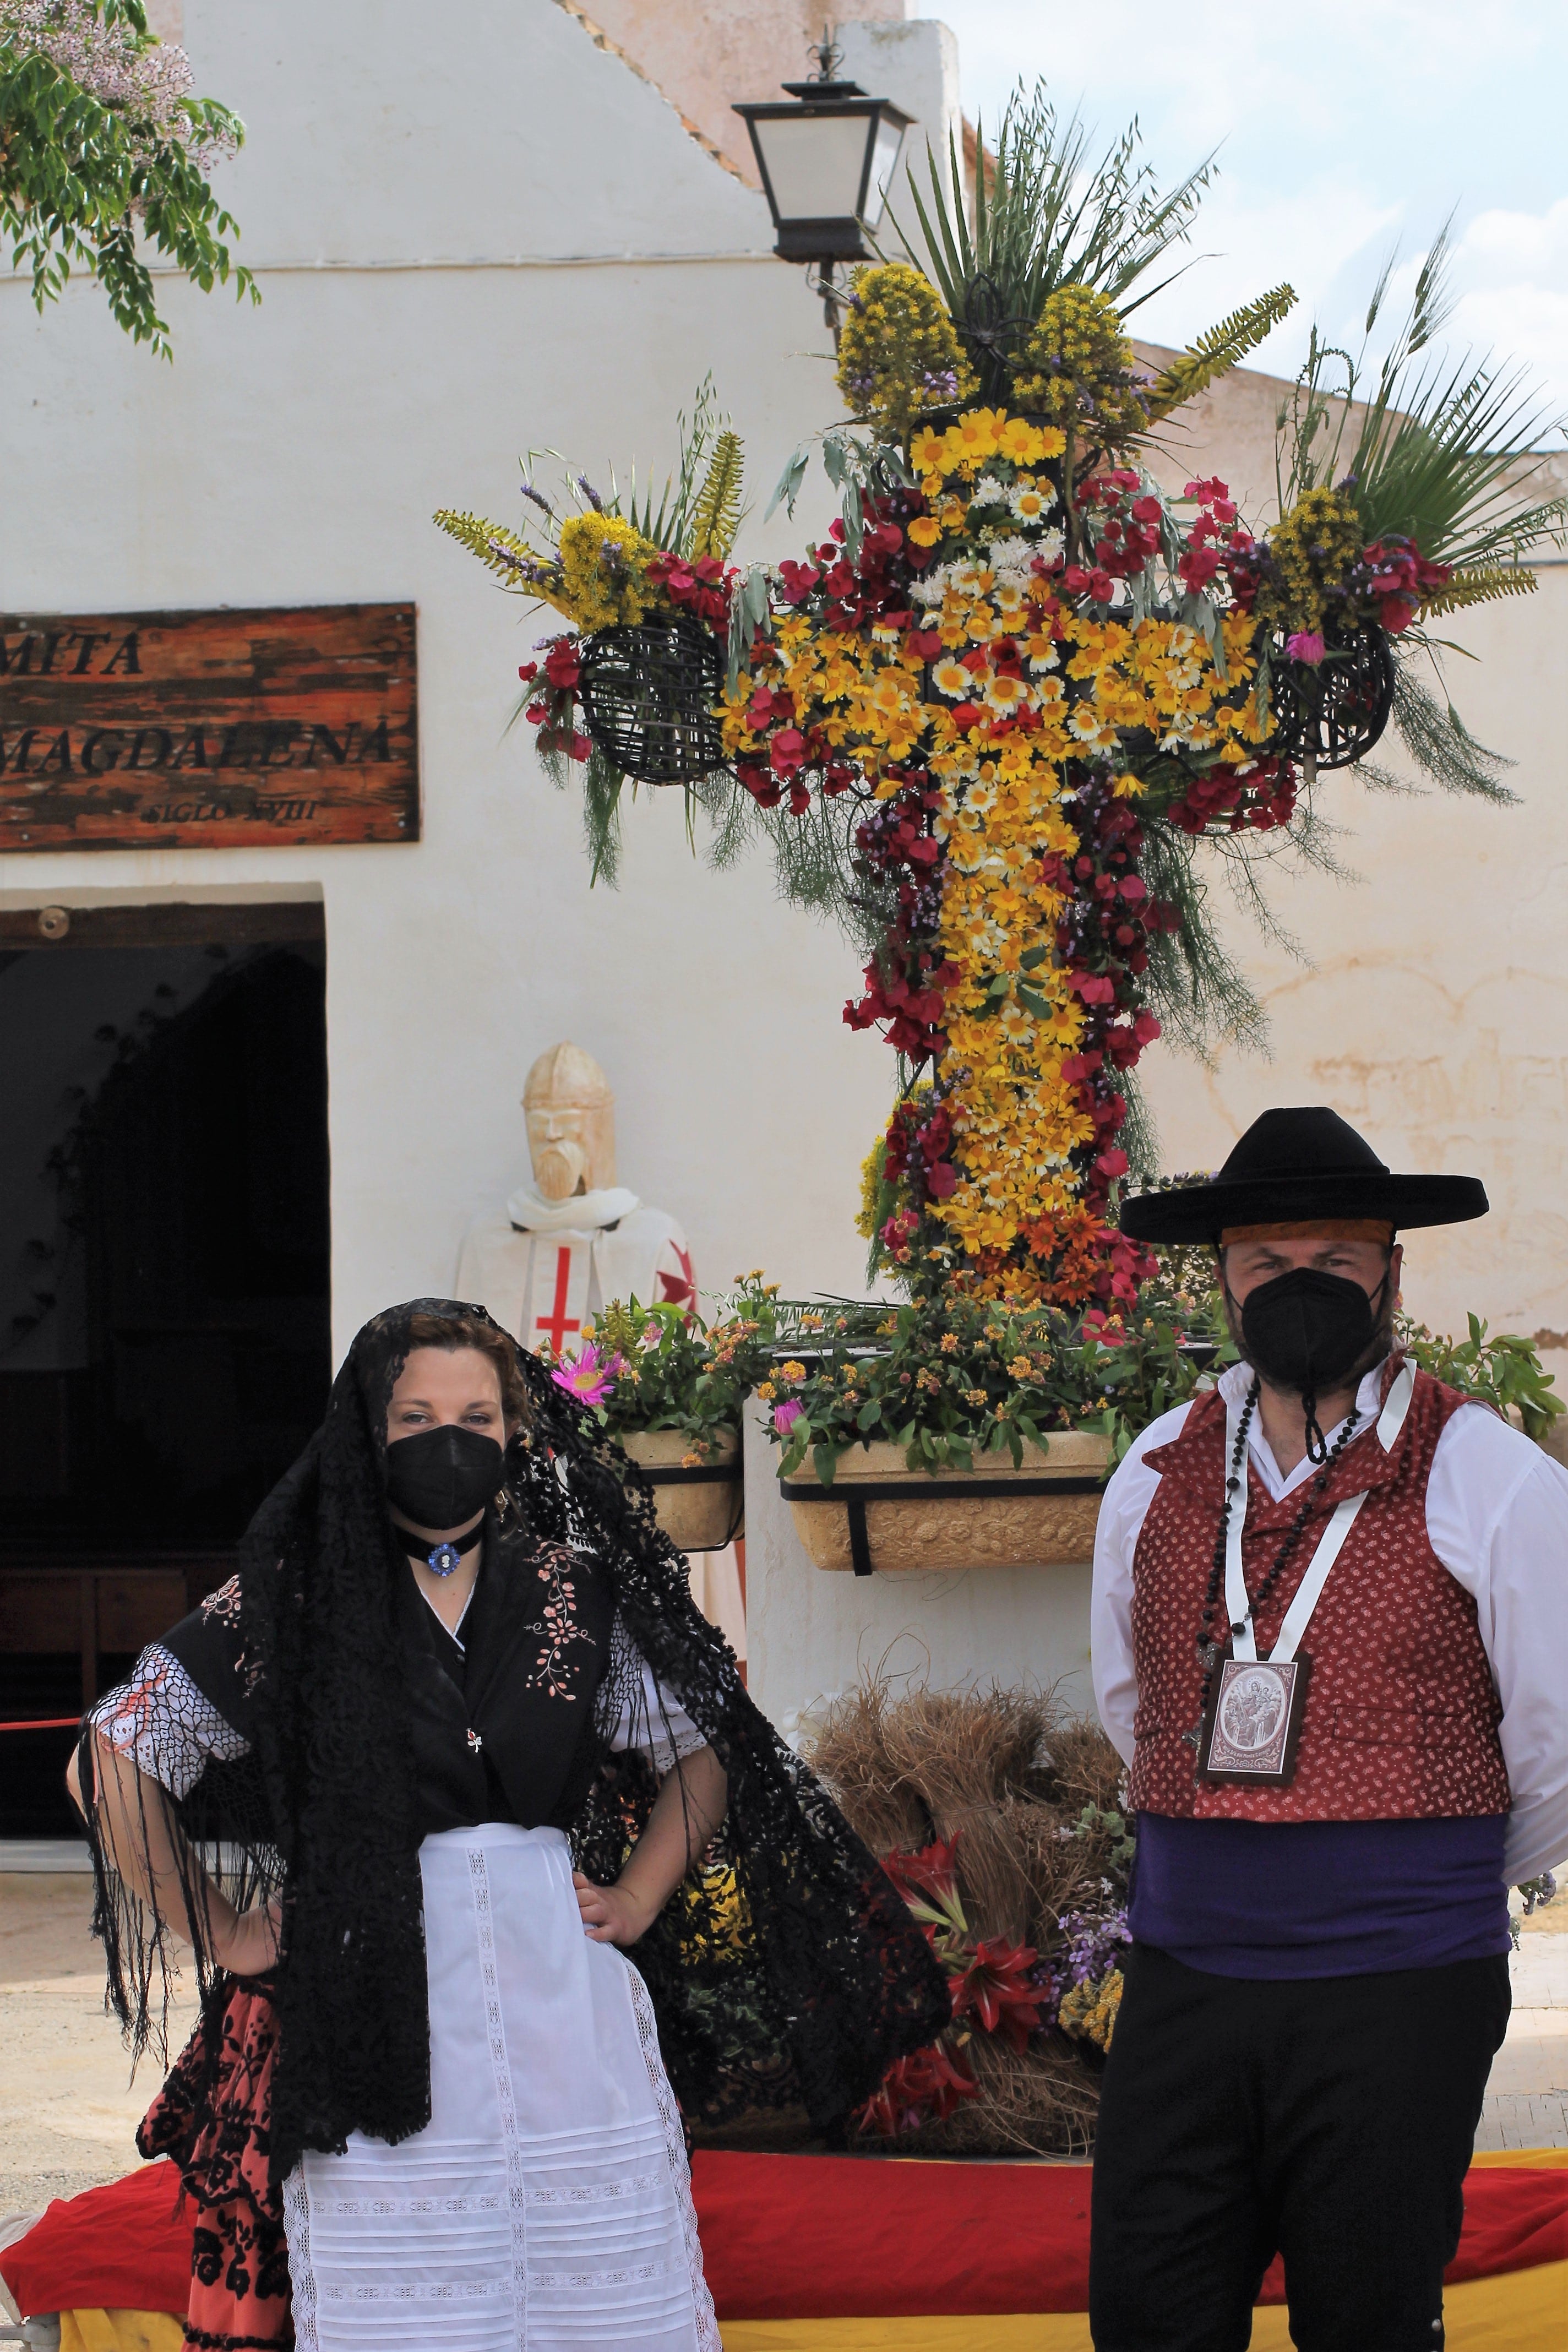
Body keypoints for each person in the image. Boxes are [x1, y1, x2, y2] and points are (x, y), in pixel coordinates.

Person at [70, 1298, 948, 2352]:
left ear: (516, 1434)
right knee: (409, 2302)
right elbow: (110, 1762)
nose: (450, 1441)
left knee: (594, 2299)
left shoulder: (572, 1594)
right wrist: (225, 1931)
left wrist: (637, 1893)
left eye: (477, 1417)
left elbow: (702, 1748)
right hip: (376, 2009)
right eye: (414, 1417)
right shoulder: (293, 1600)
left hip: (559, 2008)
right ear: (363, 1431)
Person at [1088, 1106, 1568, 2352]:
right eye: (1264, 1263)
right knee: (1148, 2316)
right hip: (1185, 1979)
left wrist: (1427, 1881)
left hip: (1396, 1984)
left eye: (1334, 1262)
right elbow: (1127, 1703)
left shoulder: (1486, 1473)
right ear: (1221, 1280)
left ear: (1389, 1274)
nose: (1297, 1286)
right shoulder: (1151, 1468)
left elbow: (1556, 1735)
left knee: (1364, 2320)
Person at [456, 1039, 745, 1655]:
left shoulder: (651, 1237)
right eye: (543, 1125)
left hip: (623, 1473)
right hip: (522, 1482)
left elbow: (679, 1374)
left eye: (570, 1124)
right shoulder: (489, 1239)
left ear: (598, 1127)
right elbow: (464, 1367)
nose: (555, 1141)